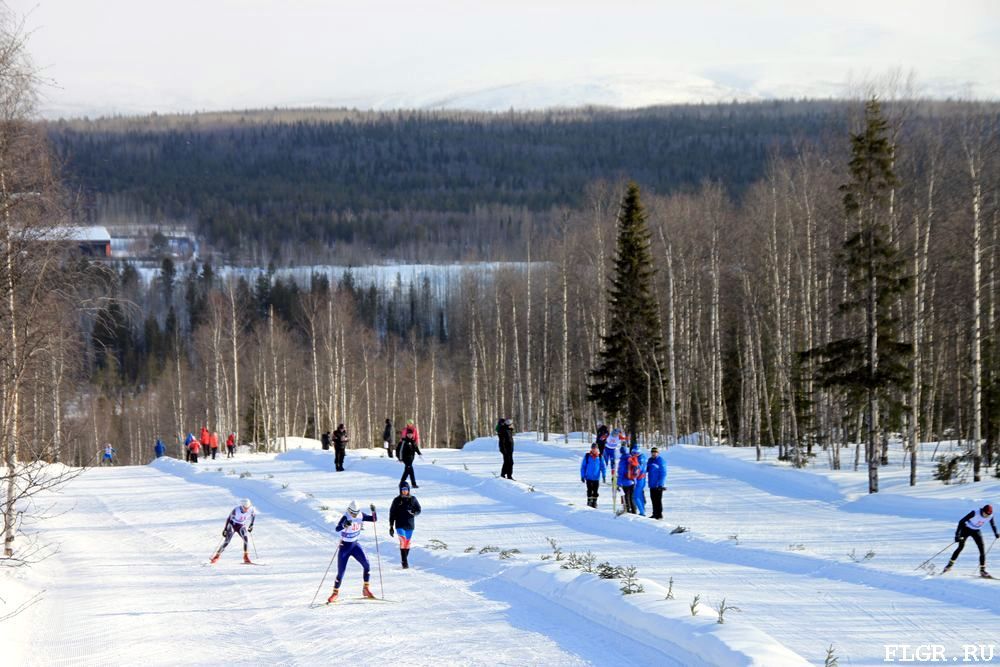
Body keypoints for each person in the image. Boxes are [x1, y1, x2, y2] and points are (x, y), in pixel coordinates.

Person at [327, 501, 378, 602]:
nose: (354, 515)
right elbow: (337, 528)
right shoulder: (346, 517)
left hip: (354, 545)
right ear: (349, 511)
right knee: (341, 572)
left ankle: (366, 589)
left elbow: (374, 519)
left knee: (367, 565)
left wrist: (374, 511)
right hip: (344, 547)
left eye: (356, 513)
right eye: (353, 513)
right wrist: (344, 525)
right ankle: (335, 593)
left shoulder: (360, 515)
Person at [943, 504, 998, 577]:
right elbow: (961, 521)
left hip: (976, 531)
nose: (986, 516)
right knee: (960, 547)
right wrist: (957, 535)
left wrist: (996, 533)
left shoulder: (990, 515)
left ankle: (982, 571)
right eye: (985, 514)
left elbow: (993, 525)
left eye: (988, 515)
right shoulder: (975, 513)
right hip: (966, 529)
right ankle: (949, 566)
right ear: (982, 511)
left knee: (982, 550)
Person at [210, 498, 257, 564]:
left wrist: (251, 525)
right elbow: (229, 519)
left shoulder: (251, 509)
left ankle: (246, 557)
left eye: (247, 507)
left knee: (246, 539)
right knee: (227, 541)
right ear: (242, 506)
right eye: (245, 507)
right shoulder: (236, 510)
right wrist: (225, 529)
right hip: (232, 525)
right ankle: (216, 556)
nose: (246, 509)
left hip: (241, 525)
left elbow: (253, 516)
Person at [389, 481, 421, 568]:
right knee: (403, 541)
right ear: (400, 490)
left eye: (406, 489)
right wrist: (391, 526)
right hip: (400, 525)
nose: (404, 491)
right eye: (402, 489)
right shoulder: (397, 500)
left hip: (410, 525)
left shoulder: (413, 499)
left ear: (408, 490)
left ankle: (404, 559)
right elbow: (392, 513)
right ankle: (405, 562)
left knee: (407, 543)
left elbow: (419, 509)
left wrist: (414, 513)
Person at [580, 443, 607, 508]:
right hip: (588, 477)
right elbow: (583, 466)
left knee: (595, 491)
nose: (593, 450)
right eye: (592, 448)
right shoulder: (587, 456)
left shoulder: (600, 457)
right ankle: (589, 502)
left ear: (597, 449)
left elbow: (603, 467)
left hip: (596, 478)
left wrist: (604, 475)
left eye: (595, 448)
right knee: (589, 490)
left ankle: (594, 502)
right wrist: (582, 476)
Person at [646, 446, 667, 520]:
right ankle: (654, 514)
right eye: (652, 452)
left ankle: (659, 515)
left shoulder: (661, 461)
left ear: (658, 453)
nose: (654, 454)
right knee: (653, 499)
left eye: (655, 452)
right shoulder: (650, 460)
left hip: (658, 484)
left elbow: (663, 473)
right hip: (652, 484)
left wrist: (661, 484)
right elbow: (647, 469)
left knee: (658, 500)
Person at [616, 444, 636, 514]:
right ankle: (634, 512)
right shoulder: (631, 458)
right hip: (632, 481)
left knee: (626, 498)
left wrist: (618, 484)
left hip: (625, 482)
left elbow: (620, 474)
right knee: (632, 498)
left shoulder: (622, 461)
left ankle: (628, 511)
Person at [630, 444, 648, 516]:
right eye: (633, 453)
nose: (634, 454)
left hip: (640, 479)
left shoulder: (640, 458)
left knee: (636, 496)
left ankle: (642, 512)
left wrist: (633, 472)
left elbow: (639, 469)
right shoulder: (641, 457)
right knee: (640, 495)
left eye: (636, 453)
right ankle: (643, 509)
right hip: (641, 478)